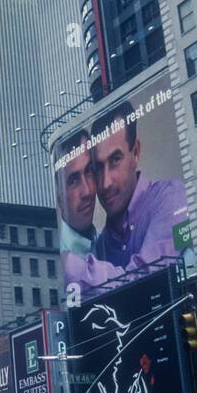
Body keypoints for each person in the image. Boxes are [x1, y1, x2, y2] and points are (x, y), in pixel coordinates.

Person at [65, 99, 186, 291]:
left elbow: (148, 281)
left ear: (135, 152)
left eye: (115, 160)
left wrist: (70, 267)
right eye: (97, 168)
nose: (105, 183)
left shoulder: (171, 198)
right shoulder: (102, 244)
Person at [55, 128, 98, 257]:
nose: (88, 191)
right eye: (74, 181)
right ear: (59, 197)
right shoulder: (62, 257)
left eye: (89, 171)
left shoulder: (106, 242)